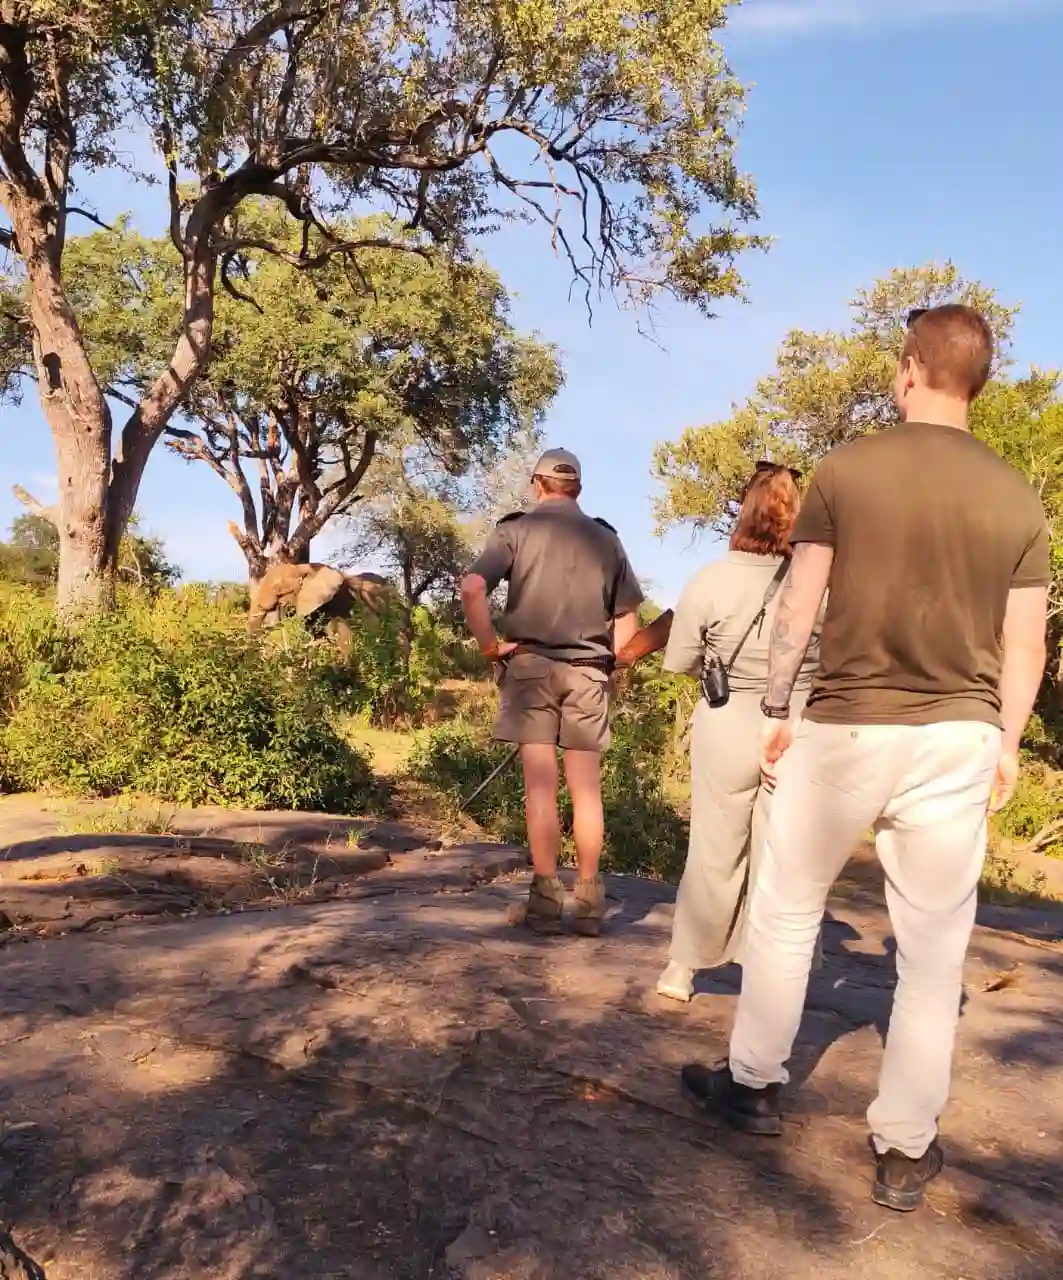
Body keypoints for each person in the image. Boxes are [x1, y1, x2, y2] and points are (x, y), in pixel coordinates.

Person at [680, 304, 1050, 1214]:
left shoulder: (845, 469)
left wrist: (776, 709)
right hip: (956, 736)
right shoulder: (1016, 496)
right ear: (979, 380)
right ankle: (902, 1150)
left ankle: (756, 1086)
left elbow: (798, 608)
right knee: (931, 956)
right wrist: (1004, 742)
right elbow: (1026, 645)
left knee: (785, 910)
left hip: (845, 724)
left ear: (908, 369)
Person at [460, 448, 644, 936]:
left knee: (540, 785)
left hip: (530, 670)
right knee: (586, 790)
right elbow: (626, 615)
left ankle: (544, 902)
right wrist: (615, 668)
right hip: (588, 672)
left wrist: (490, 649)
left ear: (537, 483)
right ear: (577, 488)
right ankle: (588, 904)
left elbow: (473, 589)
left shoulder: (515, 531)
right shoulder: (606, 539)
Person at [656, 463, 821, 1002]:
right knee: (782, 850)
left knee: (713, 846)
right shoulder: (815, 580)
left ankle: (683, 968)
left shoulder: (710, 578)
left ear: (743, 512)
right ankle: (772, 971)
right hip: (794, 724)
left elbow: (679, 660)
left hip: (726, 723)